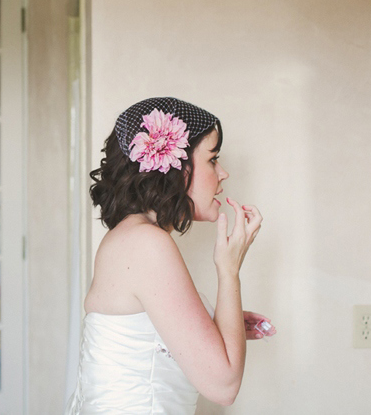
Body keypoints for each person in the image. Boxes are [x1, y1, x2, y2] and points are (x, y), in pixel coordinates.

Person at [65, 97, 275, 414]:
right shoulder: (146, 244)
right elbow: (224, 386)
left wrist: (222, 325)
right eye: (213, 159)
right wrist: (229, 271)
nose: (224, 173)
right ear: (175, 166)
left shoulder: (130, 236)